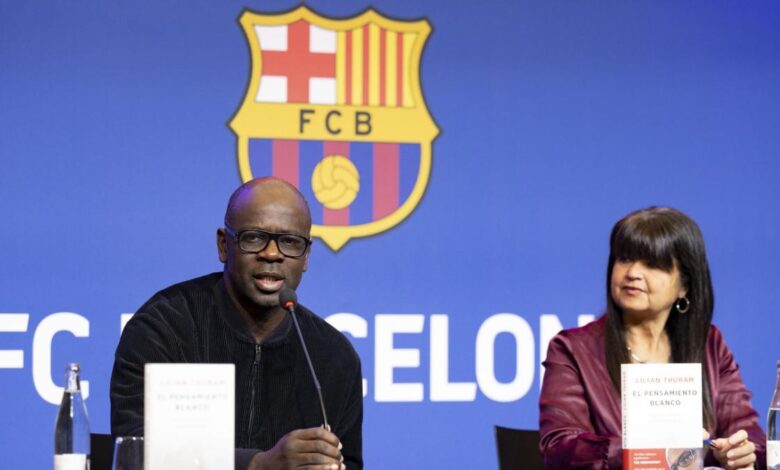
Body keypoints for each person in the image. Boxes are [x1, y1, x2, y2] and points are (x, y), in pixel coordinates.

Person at [111, 177, 363, 470]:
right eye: (254, 237)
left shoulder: (333, 357)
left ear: (306, 256)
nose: (272, 254)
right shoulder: (163, 328)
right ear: (223, 245)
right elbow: (135, 452)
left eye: (290, 242)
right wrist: (255, 465)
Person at [539, 207, 766, 469]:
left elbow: (751, 437)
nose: (633, 272)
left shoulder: (709, 346)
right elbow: (560, 449)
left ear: (684, 285)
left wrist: (740, 452)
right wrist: (649, 453)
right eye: (624, 259)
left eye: (652, 264)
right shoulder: (572, 349)